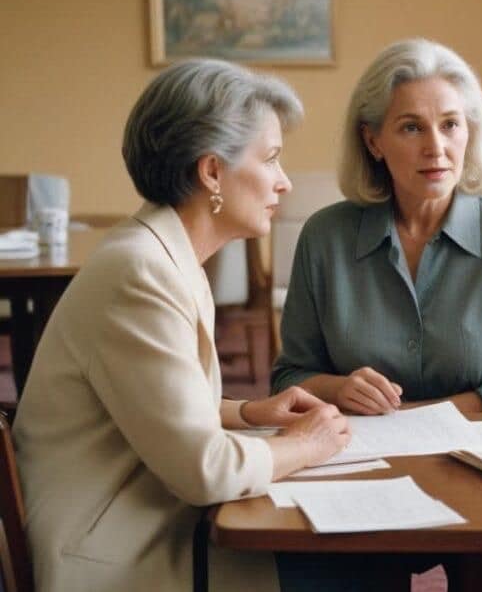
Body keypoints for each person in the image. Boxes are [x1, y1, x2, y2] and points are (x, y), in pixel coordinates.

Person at [13, 59, 353, 592]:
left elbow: (153, 404)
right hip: (111, 549)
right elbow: (203, 471)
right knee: (360, 560)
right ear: (211, 171)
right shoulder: (141, 272)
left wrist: (248, 411)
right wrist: (306, 446)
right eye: (271, 159)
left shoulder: (161, 253)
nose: (284, 183)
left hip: (145, 514)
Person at [271, 38, 482, 415]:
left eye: (450, 125)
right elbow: (288, 377)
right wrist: (338, 388)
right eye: (412, 128)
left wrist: (417, 419)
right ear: (373, 140)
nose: (436, 147)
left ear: (469, 131)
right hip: (359, 454)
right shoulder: (324, 237)